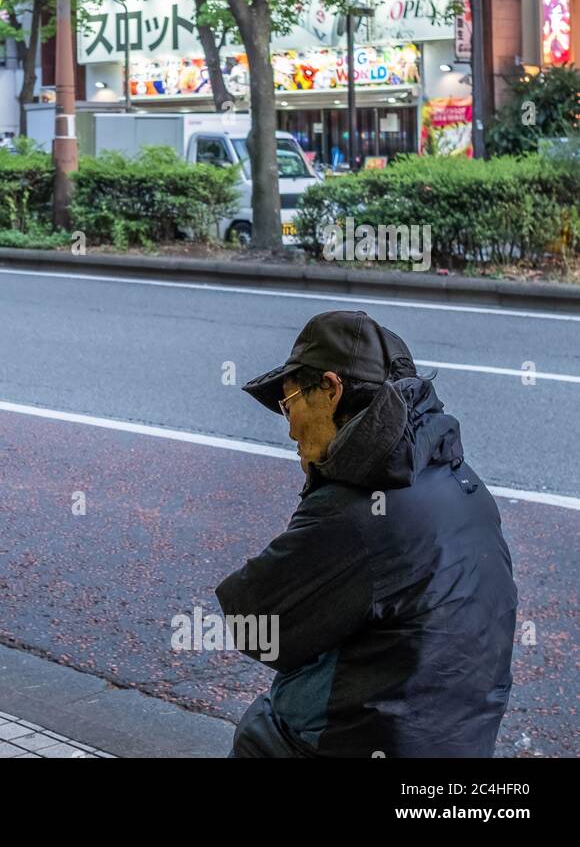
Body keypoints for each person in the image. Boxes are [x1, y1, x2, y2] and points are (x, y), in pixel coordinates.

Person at [218, 310, 517, 757]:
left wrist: (321, 487)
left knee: (262, 729)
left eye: (290, 400)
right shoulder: (461, 479)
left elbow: (257, 625)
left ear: (332, 391)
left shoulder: (358, 507)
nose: (289, 425)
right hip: (464, 736)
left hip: (381, 740)